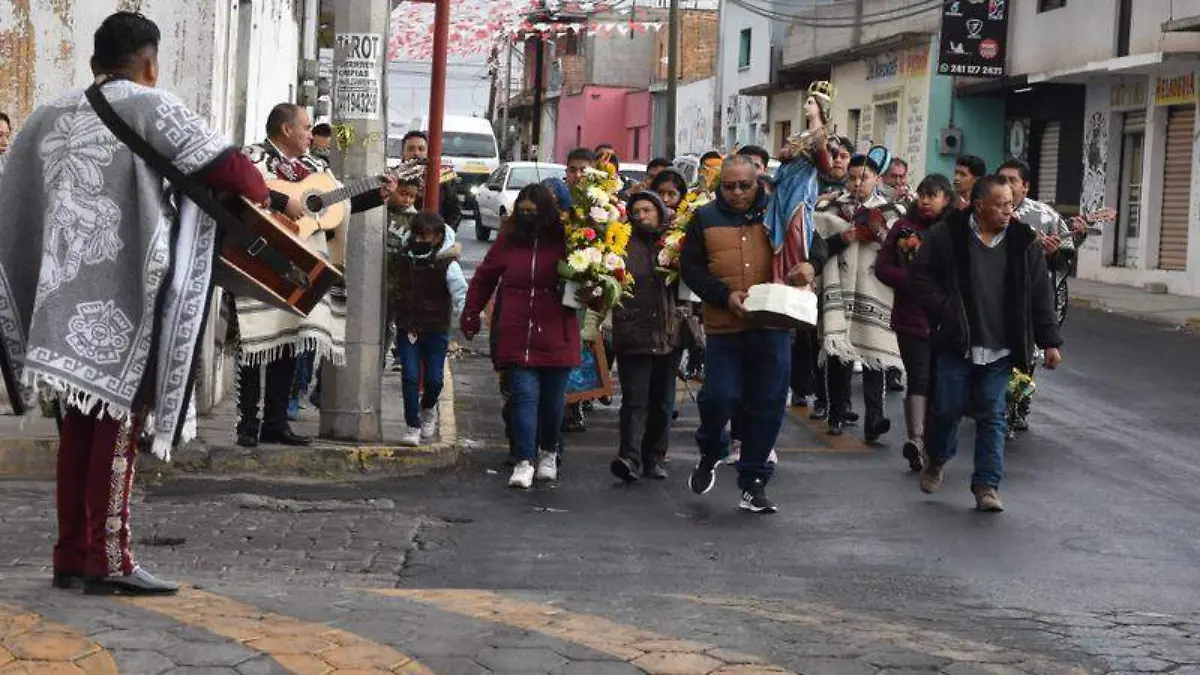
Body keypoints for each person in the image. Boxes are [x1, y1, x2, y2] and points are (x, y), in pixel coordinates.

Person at [0, 11, 276, 595]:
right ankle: (111, 560)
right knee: (119, 426)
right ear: (149, 62)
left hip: (60, 300)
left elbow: (14, 205)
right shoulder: (153, 107)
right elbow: (240, 177)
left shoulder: (46, 116)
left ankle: (72, 552)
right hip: (126, 297)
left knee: (78, 426)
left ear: (94, 61)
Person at [234, 103, 393, 448]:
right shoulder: (253, 156)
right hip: (261, 257)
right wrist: (279, 201)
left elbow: (333, 207)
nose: (311, 134)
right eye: (306, 128)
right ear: (286, 130)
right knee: (253, 341)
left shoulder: (316, 166)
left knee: (292, 339)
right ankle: (247, 422)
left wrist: (374, 197)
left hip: (302, 264)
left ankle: (276, 423)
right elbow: (240, 191)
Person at [909, 175, 1064, 512]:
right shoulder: (947, 236)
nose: (1009, 210)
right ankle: (937, 459)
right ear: (979, 205)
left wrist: (1050, 341)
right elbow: (920, 277)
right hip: (957, 343)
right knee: (947, 407)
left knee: (992, 414)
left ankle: (986, 485)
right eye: (1001, 204)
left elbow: (1040, 295)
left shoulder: (1024, 243)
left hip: (1001, 348)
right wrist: (945, 309)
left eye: (1012, 203)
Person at [681, 154, 822, 513]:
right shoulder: (704, 217)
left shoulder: (780, 208)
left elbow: (814, 242)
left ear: (758, 181)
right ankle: (711, 449)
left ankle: (754, 481)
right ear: (719, 186)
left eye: (745, 185)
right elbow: (691, 269)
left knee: (768, 403)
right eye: (729, 186)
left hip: (772, 324)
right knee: (718, 398)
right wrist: (724, 296)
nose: (738, 193)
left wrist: (811, 265)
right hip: (725, 326)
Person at [461, 183, 580, 489]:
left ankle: (549, 452)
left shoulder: (568, 241)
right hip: (516, 331)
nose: (527, 215)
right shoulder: (507, 241)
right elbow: (485, 276)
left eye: (533, 209)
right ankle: (524, 460)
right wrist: (471, 312)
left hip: (557, 331)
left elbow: (591, 274)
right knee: (524, 397)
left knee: (553, 402)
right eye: (522, 209)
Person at [814, 155, 905, 441]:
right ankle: (836, 412)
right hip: (838, 285)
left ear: (877, 179)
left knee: (873, 352)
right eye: (851, 178)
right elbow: (818, 236)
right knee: (837, 352)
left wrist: (876, 230)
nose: (856, 183)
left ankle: (875, 418)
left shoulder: (892, 210)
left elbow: (900, 243)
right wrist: (845, 233)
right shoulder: (831, 207)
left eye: (863, 178)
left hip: (873, 288)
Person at [875, 173, 955, 471]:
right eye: (921, 194)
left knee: (940, 382)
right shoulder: (902, 229)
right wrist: (913, 281)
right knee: (919, 376)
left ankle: (936, 444)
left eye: (932, 195)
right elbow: (882, 268)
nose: (924, 201)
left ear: (946, 199)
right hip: (911, 318)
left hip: (947, 321)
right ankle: (916, 441)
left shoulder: (954, 231)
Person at [609, 191, 683, 483]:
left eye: (648, 210)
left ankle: (654, 457)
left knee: (663, 402)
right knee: (634, 401)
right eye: (636, 211)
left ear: (660, 212)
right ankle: (629, 457)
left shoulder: (675, 242)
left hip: (668, 333)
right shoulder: (622, 244)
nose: (642, 216)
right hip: (633, 332)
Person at [387, 212, 467, 446]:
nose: (421, 241)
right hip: (408, 327)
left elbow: (460, 292)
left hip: (436, 329)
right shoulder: (404, 258)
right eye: (417, 236)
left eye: (427, 237)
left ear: (439, 237)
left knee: (434, 380)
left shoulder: (448, 264)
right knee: (410, 377)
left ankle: (428, 408)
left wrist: (467, 316)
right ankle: (412, 425)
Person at [400, 129, 463, 226]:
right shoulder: (394, 178)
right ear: (402, 152)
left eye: (421, 149)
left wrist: (444, 235)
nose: (416, 153)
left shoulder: (443, 178)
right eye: (411, 149)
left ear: (427, 152)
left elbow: (454, 212)